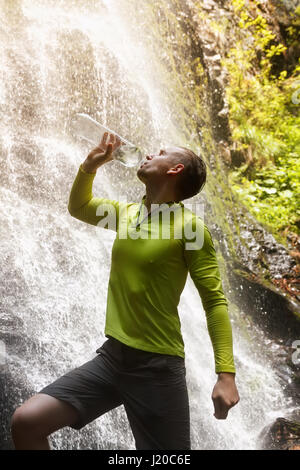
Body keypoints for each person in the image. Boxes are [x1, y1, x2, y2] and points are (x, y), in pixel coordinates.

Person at [11, 132, 240, 450]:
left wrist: (226, 374)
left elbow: (214, 301)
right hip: (113, 358)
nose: (148, 154)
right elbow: (80, 207)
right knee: (27, 422)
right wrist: (89, 167)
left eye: (160, 152)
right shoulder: (128, 214)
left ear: (175, 170)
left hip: (157, 367)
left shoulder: (191, 228)